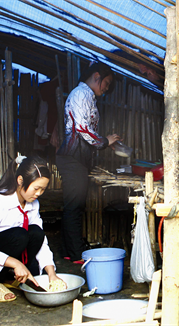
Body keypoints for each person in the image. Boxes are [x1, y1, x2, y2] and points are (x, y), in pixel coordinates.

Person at [0, 155, 64, 302]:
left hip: (5, 250)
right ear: (20, 181)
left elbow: (41, 241)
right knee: (20, 235)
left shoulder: (33, 204)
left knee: (36, 233)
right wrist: (16, 263)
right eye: (36, 188)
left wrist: (51, 273)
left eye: (43, 189)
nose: (39, 193)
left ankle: (8, 277)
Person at [55, 62, 121, 263]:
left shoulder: (87, 96)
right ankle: (75, 255)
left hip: (76, 158)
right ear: (96, 76)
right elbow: (83, 130)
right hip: (72, 158)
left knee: (74, 206)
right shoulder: (81, 94)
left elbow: (84, 129)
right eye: (106, 83)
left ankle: (69, 250)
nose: (106, 88)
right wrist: (103, 141)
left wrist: (103, 142)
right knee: (74, 206)